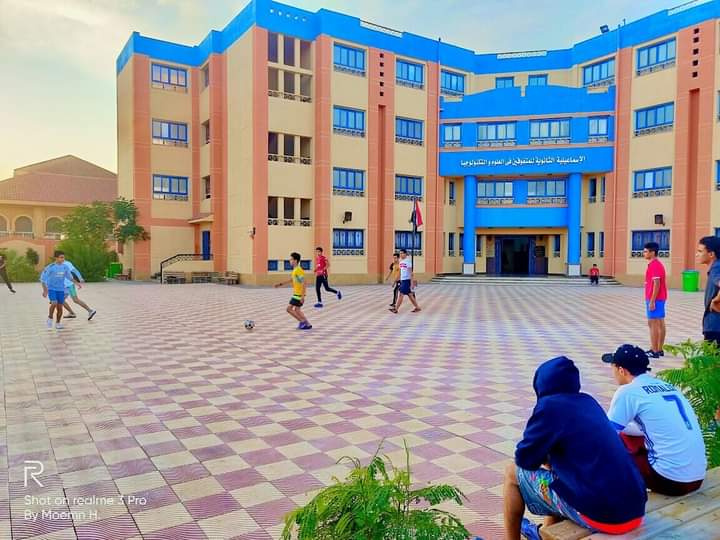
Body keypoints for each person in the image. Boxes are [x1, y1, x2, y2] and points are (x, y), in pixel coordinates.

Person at [504, 356, 646, 540]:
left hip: (606, 517)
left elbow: (525, 459)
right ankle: (544, 533)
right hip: (635, 509)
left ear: (540, 385)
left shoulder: (549, 406)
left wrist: (546, 455)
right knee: (558, 474)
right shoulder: (589, 402)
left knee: (511, 472)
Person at [602, 344, 706, 496]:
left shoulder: (628, 392)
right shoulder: (668, 386)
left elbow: (607, 435)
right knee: (628, 436)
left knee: (611, 453)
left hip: (671, 480)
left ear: (621, 370)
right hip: (696, 478)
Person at [40, 251, 79, 330]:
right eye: (61, 257)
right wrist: (45, 290)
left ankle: (58, 323)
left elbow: (69, 277)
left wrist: (77, 283)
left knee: (60, 307)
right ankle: (50, 318)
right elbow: (43, 279)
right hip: (52, 289)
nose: (63, 259)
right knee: (54, 303)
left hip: (61, 289)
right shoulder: (50, 267)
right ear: (56, 258)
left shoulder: (65, 267)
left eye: (63, 257)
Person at [274, 252, 312, 330]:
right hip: (297, 294)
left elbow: (304, 282)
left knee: (289, 309)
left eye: (291, 259)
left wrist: (302, 296)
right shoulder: (295, 270)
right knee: (297, 310)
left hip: (298, 294)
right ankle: (307, 324)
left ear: (295, 260)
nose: (290, 261)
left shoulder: (298, 270)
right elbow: (292, 280)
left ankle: (302, 322)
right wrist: (280, 284)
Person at [643, 241, 667, 358]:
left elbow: (657, 283)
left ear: (652, 252)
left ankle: (654, 350)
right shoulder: (655, 264)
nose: (644, 253)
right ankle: (659, 349)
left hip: (655, 298)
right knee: (659, 322)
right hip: (659, 298)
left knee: (653, 324)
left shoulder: (655, 265)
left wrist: (652, 301)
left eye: (646, 251)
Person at [697, 236, 720, 347]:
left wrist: (716, 300)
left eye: (700, 251)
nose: (697, 254)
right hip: (713, 325)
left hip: (715, 326)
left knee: (711, 357)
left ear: (711, 254)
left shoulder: (716, 267)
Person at [389, 249, 420, 314]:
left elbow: (411, 273)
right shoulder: (401, 262)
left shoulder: (408, 262)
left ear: (405, 254)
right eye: (400, 253)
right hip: (403, 280)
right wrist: (395, 281)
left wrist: (411, 283)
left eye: (402, 253)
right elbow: (400, 273)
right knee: (410, 295)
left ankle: (396, 309)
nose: (401, 255)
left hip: (407, 280)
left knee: (401, 294)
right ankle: (417, 307)